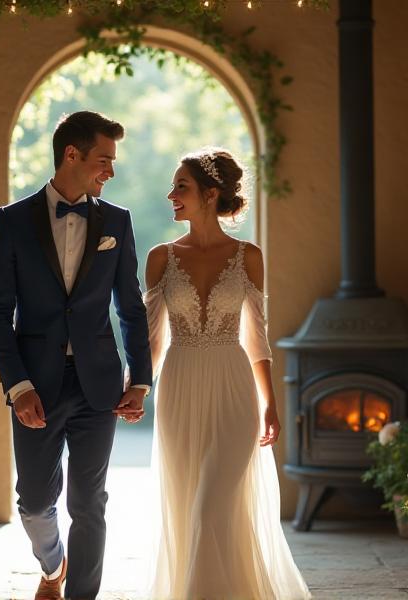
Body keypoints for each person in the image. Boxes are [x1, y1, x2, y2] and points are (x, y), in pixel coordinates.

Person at [0, 111, 151, 600]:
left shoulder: (117, 221)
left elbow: (131, 307)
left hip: (99, 383)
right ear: (71, 155)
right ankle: (52, 566)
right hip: (35, 384)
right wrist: (17, 386)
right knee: (34, 502)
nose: (111, 172)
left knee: (90, 502)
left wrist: (139, 379)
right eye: (104, 160)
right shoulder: (12, 222)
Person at [143, 148, 311, 599]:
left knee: (211, 510)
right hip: (179, 387)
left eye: (182, 186)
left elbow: (257, 338)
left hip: (235, 388)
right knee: (186, 507)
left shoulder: (248, 256)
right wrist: (137, 388)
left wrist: (269, 404)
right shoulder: (160, 258)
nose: (171, 194)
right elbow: (153, 340)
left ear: (210, 194)